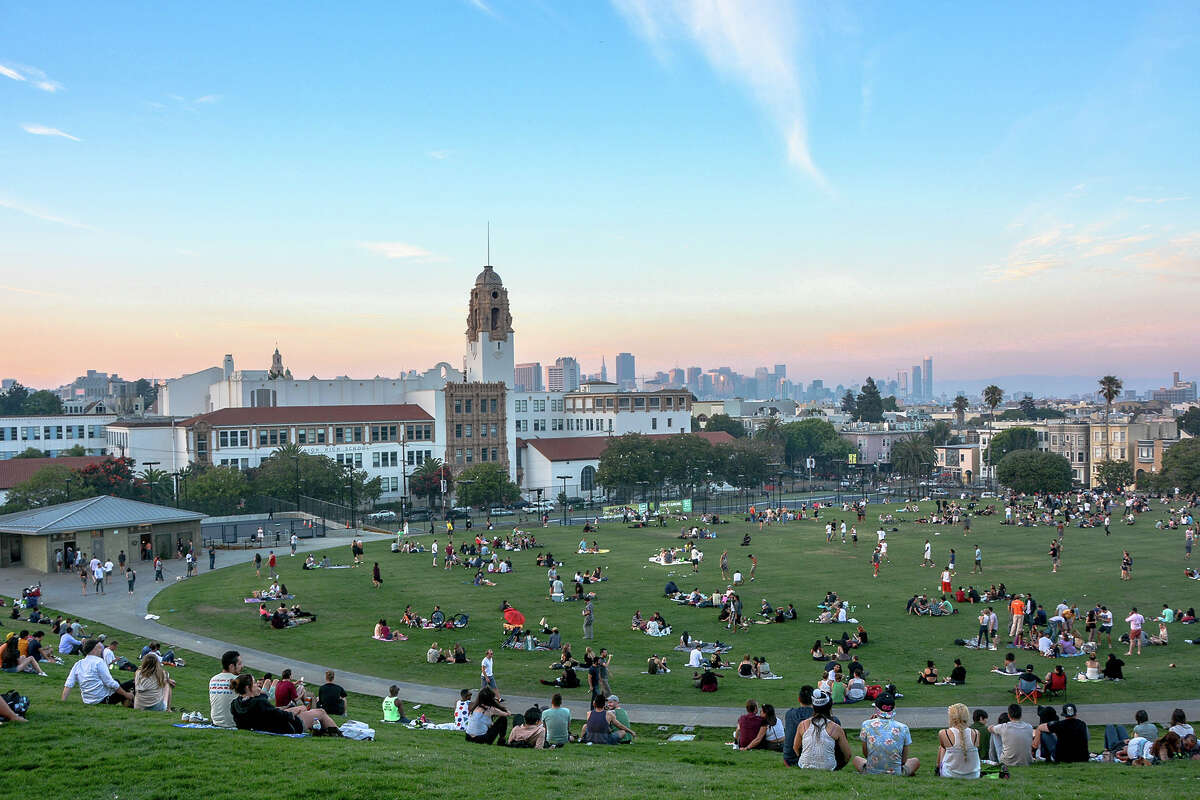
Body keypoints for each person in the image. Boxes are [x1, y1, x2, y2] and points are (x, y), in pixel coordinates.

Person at [230, 673, 339, 735]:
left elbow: (270, 713)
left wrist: (287, 709)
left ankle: (323, 731)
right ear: (247, 688)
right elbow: (280, 716)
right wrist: (293, 711)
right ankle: (338, 735)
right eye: (254, 683)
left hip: (270, 725)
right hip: (286, 726)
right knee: (320, 712)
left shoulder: (235, 704)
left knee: (301, 708)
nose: (257, 685)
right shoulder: (259, 702)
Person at [854, 691, 919, 776]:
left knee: (856, 759)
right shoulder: (903, 727)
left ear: (876, 708)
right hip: (896, 772)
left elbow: (866, 753)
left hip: (871, 771)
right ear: (894, 708)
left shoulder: (866, 724)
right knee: (915, 761)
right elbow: (903, 761)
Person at [61, 639, 134, 706]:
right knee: (133, 682)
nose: (101, 650)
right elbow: (110, 682)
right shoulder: (99, 662)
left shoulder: (78, 664)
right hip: (103, 700)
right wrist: (126, 694)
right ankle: (135, 706)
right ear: (94, 649)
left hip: (88, 701)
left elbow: (68, 684)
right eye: (99, 648)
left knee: (116, 681)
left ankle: (127, 703)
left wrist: (63, 701)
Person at [938, 703, 981, 778]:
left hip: (950, 774)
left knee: (942, 748)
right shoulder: (976, 733)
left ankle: (937, 768)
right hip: (974, 775)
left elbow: (943, 747)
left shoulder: (944, 733)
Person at [209, 650, 242, 728]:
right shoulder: (238, 679)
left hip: (216, 722)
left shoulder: (213, 679)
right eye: (239, 664)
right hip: (234, 723)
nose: (242, 666)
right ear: (231, 666)